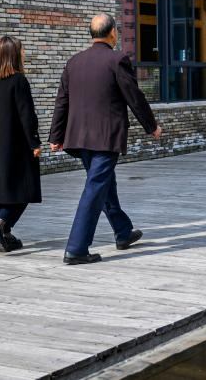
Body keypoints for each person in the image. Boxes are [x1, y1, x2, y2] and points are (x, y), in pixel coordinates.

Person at [49, 13, 162, 265]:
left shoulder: (74, 62)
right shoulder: (117, 59)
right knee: (95, 187)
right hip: (105, 136)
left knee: (104, 183)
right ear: (113, 33)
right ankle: (77, 248)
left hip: (78, 137)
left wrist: (56, 136)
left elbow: (62, 101)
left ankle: (123, 232)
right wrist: (152, 127)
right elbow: (134, 97)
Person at [0, 36, 42, 253]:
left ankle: (5, 234)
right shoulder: (19, 80)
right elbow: (26, 115)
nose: (24, 54)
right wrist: (34, 142)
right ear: (13, 55)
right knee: (26, 187)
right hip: (14, 145)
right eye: (21, 51)